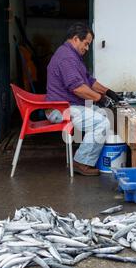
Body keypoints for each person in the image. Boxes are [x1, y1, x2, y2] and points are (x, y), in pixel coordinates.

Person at [46, 22, 121, 176]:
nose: (87, 48)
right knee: (101, 122)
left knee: (106, 115)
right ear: (75, 39)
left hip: (71, 106)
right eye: (86, 44)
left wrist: (108, 92)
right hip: (60, 110)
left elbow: (89, 80)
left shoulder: (73, 56)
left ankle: (96, 157)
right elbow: (77, 88)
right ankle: (81, 162)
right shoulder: (66, 58)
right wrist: (100, 98)